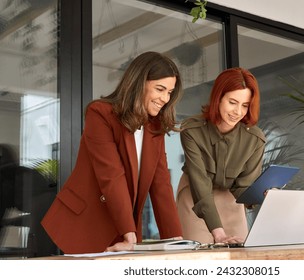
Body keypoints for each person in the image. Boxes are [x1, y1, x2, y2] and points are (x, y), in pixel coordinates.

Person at [41, 51, 184, 254]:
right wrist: (129, 232)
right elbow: (111, 175)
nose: (165, 98)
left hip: (124, 227)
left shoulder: (155, 128)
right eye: (160, 89)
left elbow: (161, 184)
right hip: (83, 224)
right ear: (139, 83)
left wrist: (176, 240)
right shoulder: (100, 113)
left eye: (169, 92)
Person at [176, 67, 266, 244]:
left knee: (240, 259)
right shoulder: (192, 131)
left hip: (232, 201)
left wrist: (263, 194)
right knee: (200, 257)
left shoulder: (254, 139)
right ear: (218, 98)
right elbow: (199, 182)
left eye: (245, 105)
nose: (238, 112)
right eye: (232, 102)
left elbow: (244, 186)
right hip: (195, 199)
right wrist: (218, 233)